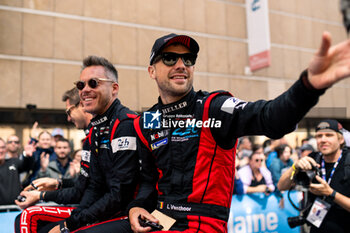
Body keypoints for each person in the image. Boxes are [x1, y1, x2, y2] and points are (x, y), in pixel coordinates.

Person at [127, 32, 350, 233]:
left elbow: (271, 117)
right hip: (159, 220)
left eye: (188, 59)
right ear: (151, 71)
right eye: (169, 58)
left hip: (202, 224)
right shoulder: (146, 121)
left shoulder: (214, 107)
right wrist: (137, 206)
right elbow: (148, 179)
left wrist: (308, 86)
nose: (181, 64)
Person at [46, 55, 139, 233]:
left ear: (114, 88)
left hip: (130, 212)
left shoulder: (125, 124)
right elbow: (94, 187)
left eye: (93, 83)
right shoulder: (97, 129)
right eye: (81, 85)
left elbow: (120, 194)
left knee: (31, 218)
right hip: (108, 210)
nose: (84, 90)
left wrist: (71, 224)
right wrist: (72, 222)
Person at [15, 87, 93, 233]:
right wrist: (57, 183)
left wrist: (42, 195)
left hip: (94, 209)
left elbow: (87, 190)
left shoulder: (98, 135)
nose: (68, 118)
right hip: (86, 205)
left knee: (27, 216)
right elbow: (86, 185)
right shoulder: (90, 137)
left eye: (69, 112)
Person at [277, 119, 350, 233]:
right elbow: (282, 186)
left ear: (340, 139)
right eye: (319, 136)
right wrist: (294, 167)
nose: (323, 140)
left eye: (329, 135)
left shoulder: (348, 161)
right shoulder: (313, 159)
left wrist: (330, 193)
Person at [0, 138, 34, 205]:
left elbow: (27, 166)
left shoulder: (13, 162)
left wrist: (27, 156)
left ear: (6, 149)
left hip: (16, 209)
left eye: (2, 147)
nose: (0, 150)